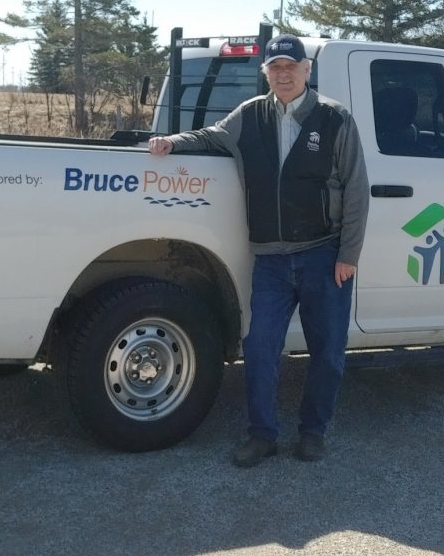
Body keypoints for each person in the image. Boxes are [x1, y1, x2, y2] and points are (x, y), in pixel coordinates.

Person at [148, 34, 369, 466]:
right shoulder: (250, 115)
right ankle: (262, 434)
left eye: (291, 67)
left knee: (327, 351)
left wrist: (349, 255)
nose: (283, 74)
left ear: (307, 71)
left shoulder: (334, 119)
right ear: (265, 73)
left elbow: (357, 189)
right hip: (270, 259)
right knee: (260, 347)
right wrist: (172, 143)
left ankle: (313, 432)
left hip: (323, 255)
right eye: (276, 68)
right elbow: (213, 136)